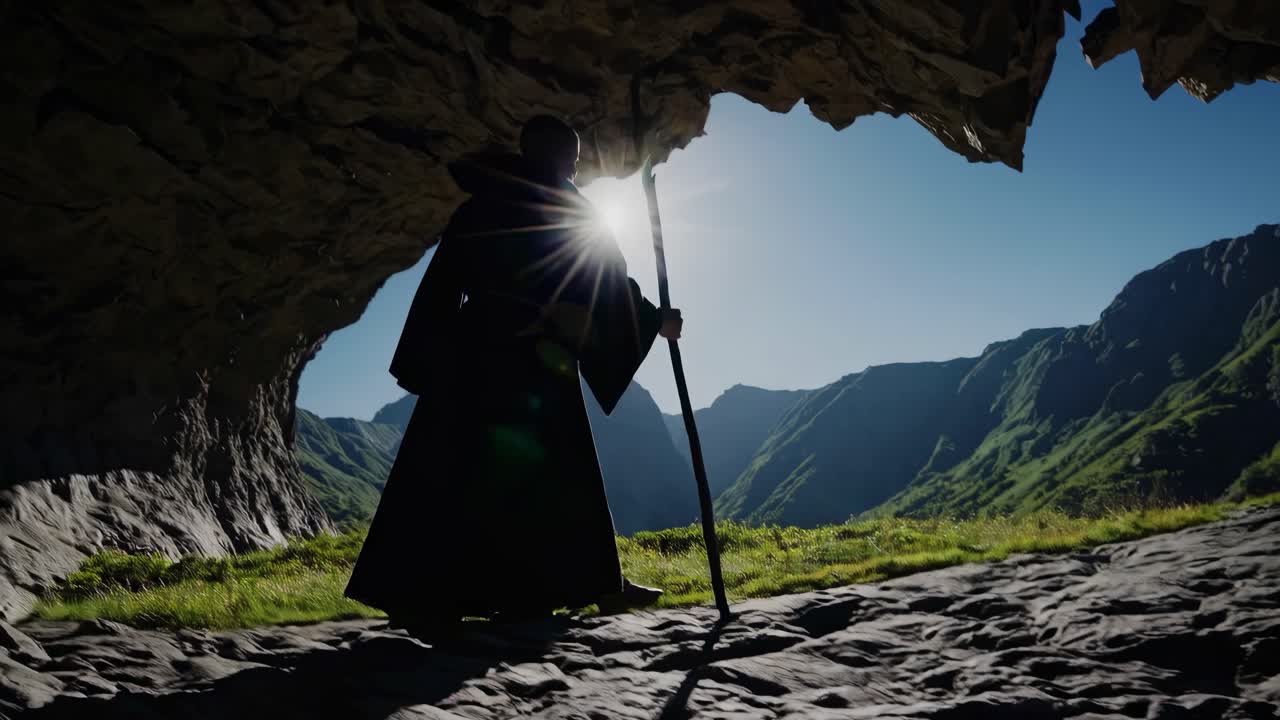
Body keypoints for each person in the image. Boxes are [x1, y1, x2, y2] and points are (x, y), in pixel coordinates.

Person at [344, 115, 682, 632]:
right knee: (555, 476)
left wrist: (426, 357)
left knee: (453, 471)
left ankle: (422, 593)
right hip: (533, 362)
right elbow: (606, 284)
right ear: (555, 157)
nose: (574, 166)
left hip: (470, 358)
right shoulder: (569, 208)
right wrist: (654, 318)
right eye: (570, 157)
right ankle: (586, 585)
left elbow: (442, 285)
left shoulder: (478, 208)